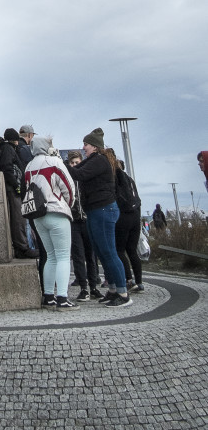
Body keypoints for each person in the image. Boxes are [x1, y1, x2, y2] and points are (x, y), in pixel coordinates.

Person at [67, 127, 131, 307]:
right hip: (95, 211)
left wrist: (61, 164)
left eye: (86, 144)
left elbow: (78, 174)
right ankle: (112, 290)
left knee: (109, 252)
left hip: (103, 210)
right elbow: (76, 168)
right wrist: (63, 164)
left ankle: (123, 293)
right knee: (102, 253)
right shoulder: (93, 159)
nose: (83, 147)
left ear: (94, 146)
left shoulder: (99, 161)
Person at [24, 136, 77, 309]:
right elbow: (68, 187)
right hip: (56, 212)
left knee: (50, 257)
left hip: (38, 216)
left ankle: (48, 296)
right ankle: (62, 297)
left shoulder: (29, 166)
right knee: (63, 256)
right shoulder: (54, 162)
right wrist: (67, 205)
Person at [0, 129, 39, 259]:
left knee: (20, 219)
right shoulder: (8, 149)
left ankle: (23, 247)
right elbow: (7, 168)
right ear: (14, 139)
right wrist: (16, 185)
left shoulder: (6, 148)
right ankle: (22, 248)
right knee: (19, 219)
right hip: (13, 189)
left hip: (14, 188)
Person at [66, 149, 102, 301]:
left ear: (81, 162)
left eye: (77, 162)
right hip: (74, 221)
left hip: (87, 220)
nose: (75, 165)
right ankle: (83, 287)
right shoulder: (67, 179)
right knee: (78, 256)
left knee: (91, 256)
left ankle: (93, 286)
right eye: (72, 163)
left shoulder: (86, 178)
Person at [110, 154, 144, 293]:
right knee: (132, 250)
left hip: (123, 216)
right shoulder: (130, 180)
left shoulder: (116, 179)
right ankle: (140, 282)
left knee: (119, 250)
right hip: (136, 216)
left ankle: (129, 280)